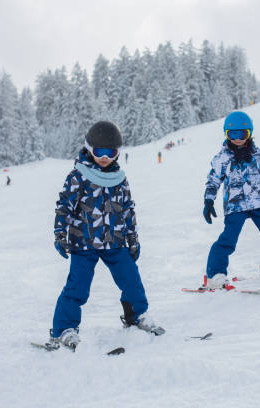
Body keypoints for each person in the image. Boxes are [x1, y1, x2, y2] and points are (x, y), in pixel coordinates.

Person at [44, 120, 164, 351]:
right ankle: (64, 330)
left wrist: (132, 238)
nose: (105, 157)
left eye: (111, 152)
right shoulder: (78, 176)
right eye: (100, 152)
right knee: (77, 287)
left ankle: (136, 316)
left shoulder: (120, 178)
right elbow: (64, 207)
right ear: (90, 148)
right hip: (83, 242)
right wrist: (60, 234)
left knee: (131, 279)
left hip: (115, 242)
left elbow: (128, 209)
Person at [202, 111, 260, 289]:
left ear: (249, 133)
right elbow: (213, 180)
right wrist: (208, 201)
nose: (237, 139)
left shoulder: (259, 155)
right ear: (226, 134)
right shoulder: (223, 157)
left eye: (242, 134)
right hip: (235, 206)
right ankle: (215, 276)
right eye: (232, 134)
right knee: (228, 240)